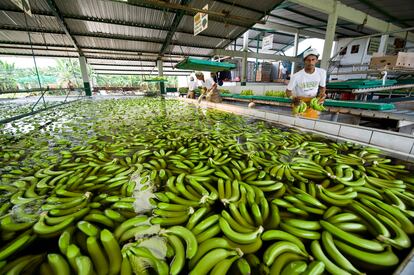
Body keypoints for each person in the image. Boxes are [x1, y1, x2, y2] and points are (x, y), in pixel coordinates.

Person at [286, 48, 326, 119]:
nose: (311, 62)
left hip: (313, 102)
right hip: (300, 103)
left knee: (311, 123)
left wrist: (321, 95)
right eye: (308, 60)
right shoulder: (296, 76)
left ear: (316, 60)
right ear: (304, 61)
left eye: (313, 59)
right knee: (297, 124)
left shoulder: (322, 73)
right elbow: (288, 91)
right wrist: (293, 98)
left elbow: (322, 87)